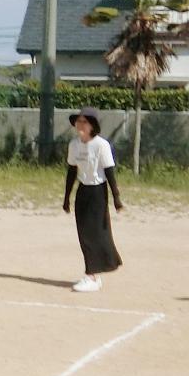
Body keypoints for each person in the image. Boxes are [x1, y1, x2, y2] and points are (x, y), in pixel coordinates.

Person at [63, 107, 123, 293]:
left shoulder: (101, 145)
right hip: (83, 190)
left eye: (84, 122)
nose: (80, 125)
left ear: (92, 125)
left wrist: (116, 198)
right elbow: (72, 171)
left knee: (95, 233)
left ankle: (92, 276)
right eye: (78, 121)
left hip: (98, 191)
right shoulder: (74, 145)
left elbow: (109, 171)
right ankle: (94, 273)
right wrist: (67, 198)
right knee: (84, 234)